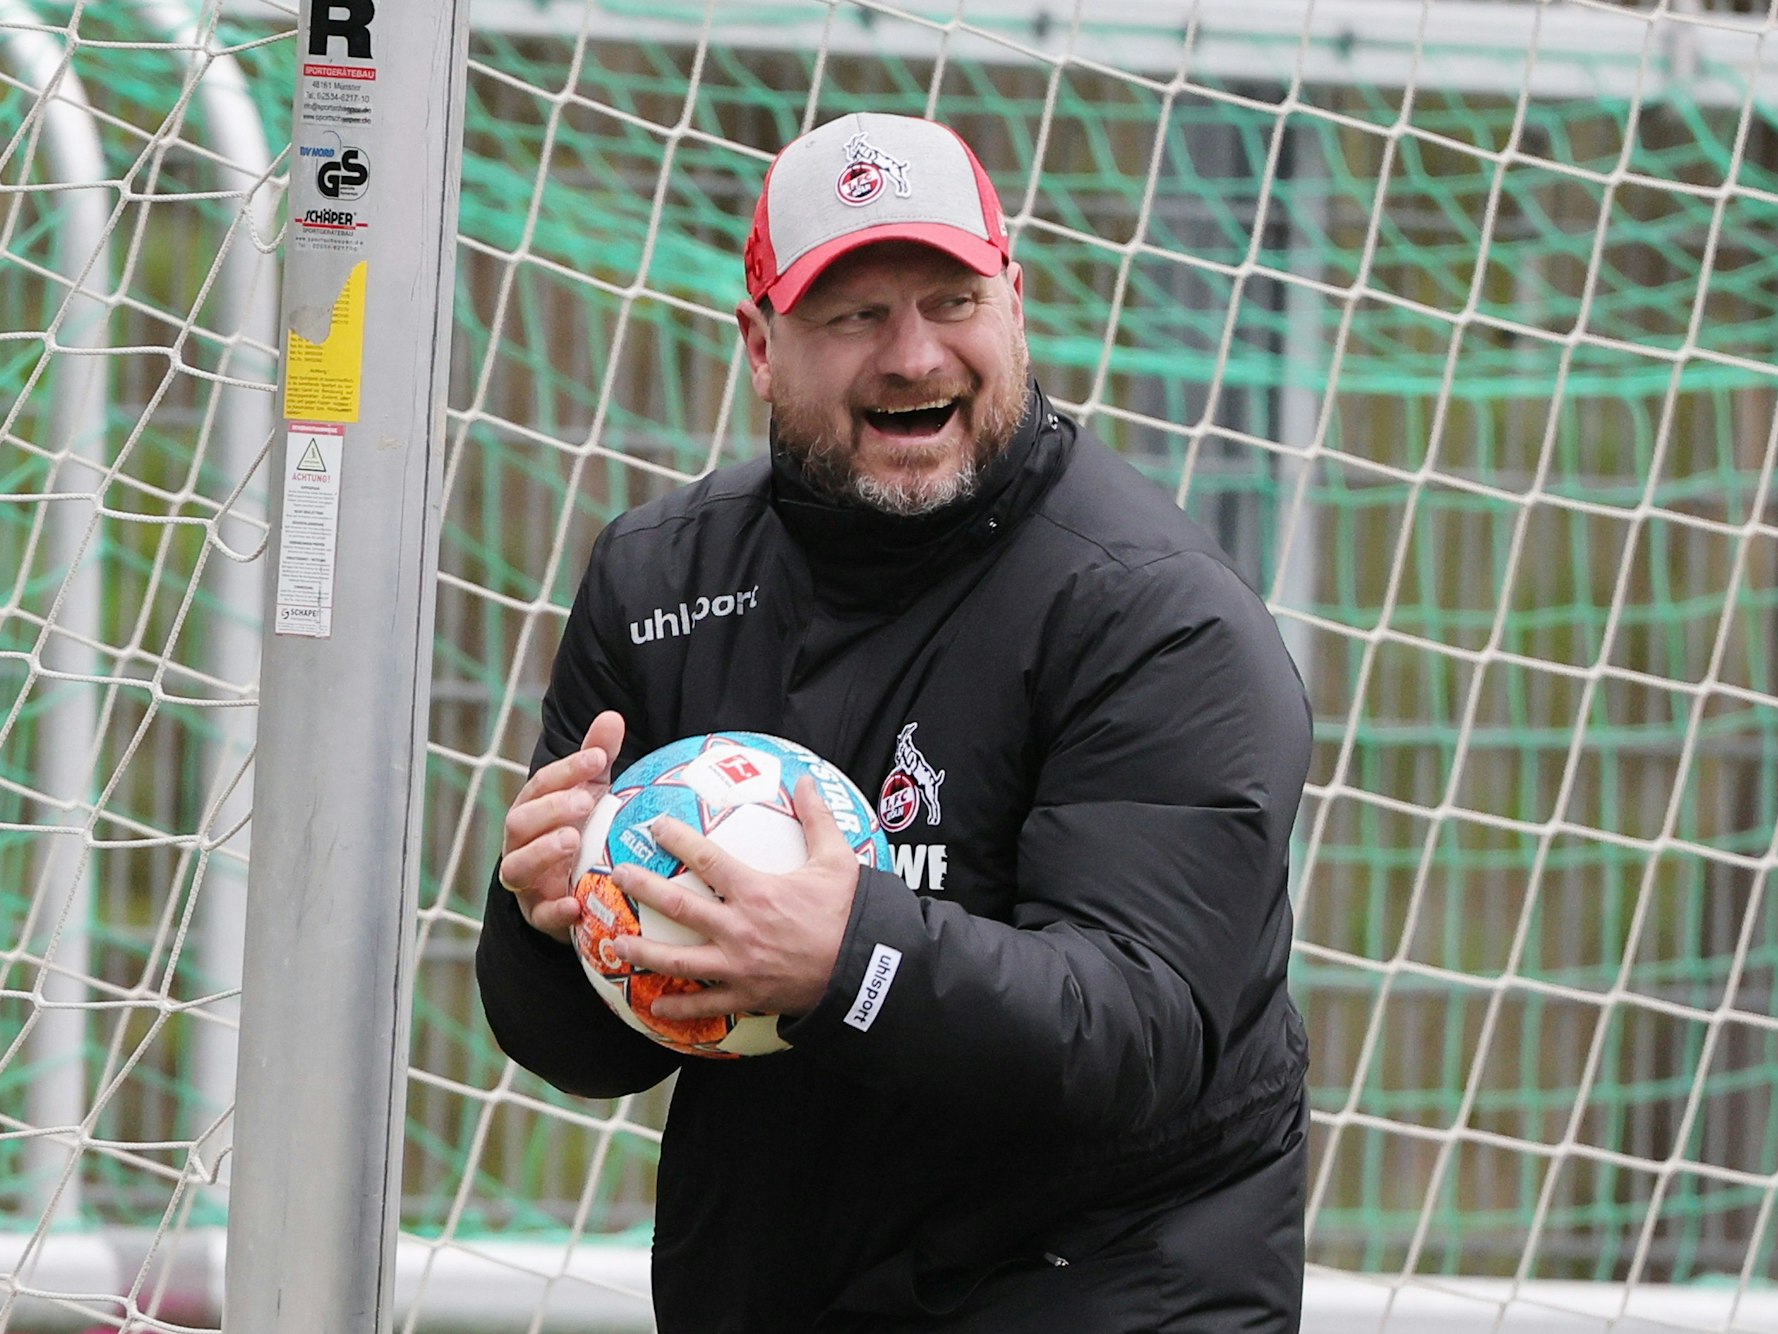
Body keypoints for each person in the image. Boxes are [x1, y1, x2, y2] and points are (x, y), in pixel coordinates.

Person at [478, 111, 1313, 1332]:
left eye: (949, 299)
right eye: (854, 313)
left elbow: (1138, 1029)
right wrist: (555, 918)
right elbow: (595, 1050)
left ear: (1013, 302)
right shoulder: (658, 583)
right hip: (784, 1280)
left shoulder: (1149, 613)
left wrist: (850, 959)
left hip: (1107, 1285)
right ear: (760, 345)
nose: (913, 355)